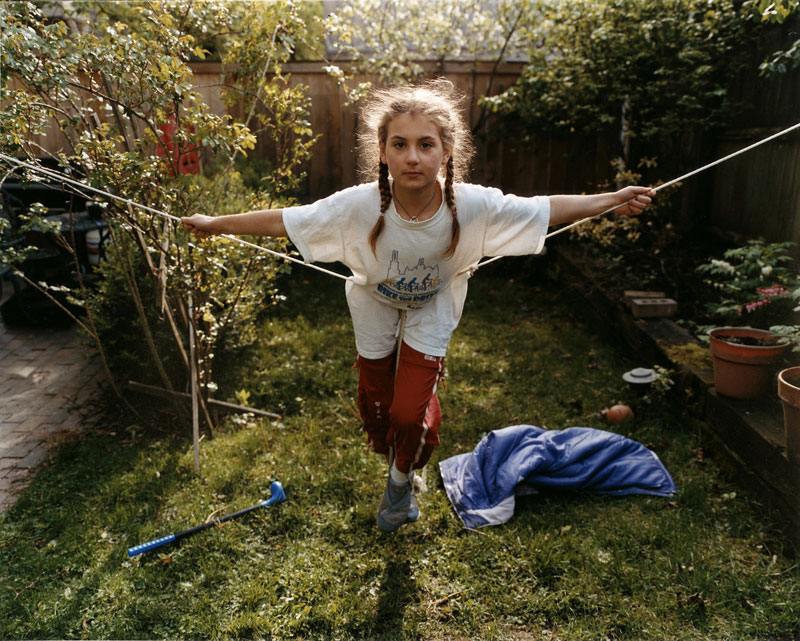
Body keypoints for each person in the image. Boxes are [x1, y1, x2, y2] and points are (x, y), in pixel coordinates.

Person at [181, 78, 654, 532]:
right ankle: (403, 449)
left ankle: (401, 482)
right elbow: (288, 221)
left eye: (426, 144)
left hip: (433, 307)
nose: (412, 157)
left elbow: (544, 208)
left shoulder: (471, 206)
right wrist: (216, 223)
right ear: (382, 152)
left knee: (408, 415)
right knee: (378, 413)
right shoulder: (359, 206)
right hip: (374, 305)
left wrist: (612, 199)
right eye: (400, 144)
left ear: (446, 151)